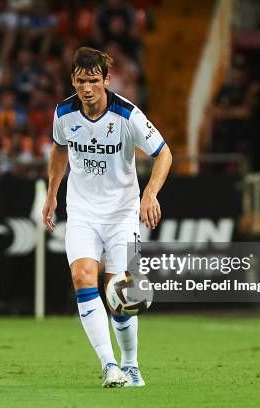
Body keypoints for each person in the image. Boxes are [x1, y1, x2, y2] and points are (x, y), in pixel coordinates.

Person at [41, 47, 172, 387]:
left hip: (121, 214)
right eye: (81, 81)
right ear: (73, 79)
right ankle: (109, 364)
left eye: (94, 81)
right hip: (82, 211)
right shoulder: (64, 113)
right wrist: (52, 193)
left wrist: (150, 194)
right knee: (83, 277)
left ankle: (131, 365)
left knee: (120, 294)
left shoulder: (127, 115)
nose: (87, 88)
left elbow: (164, 154)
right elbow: (58, 150)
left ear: (106, 80)